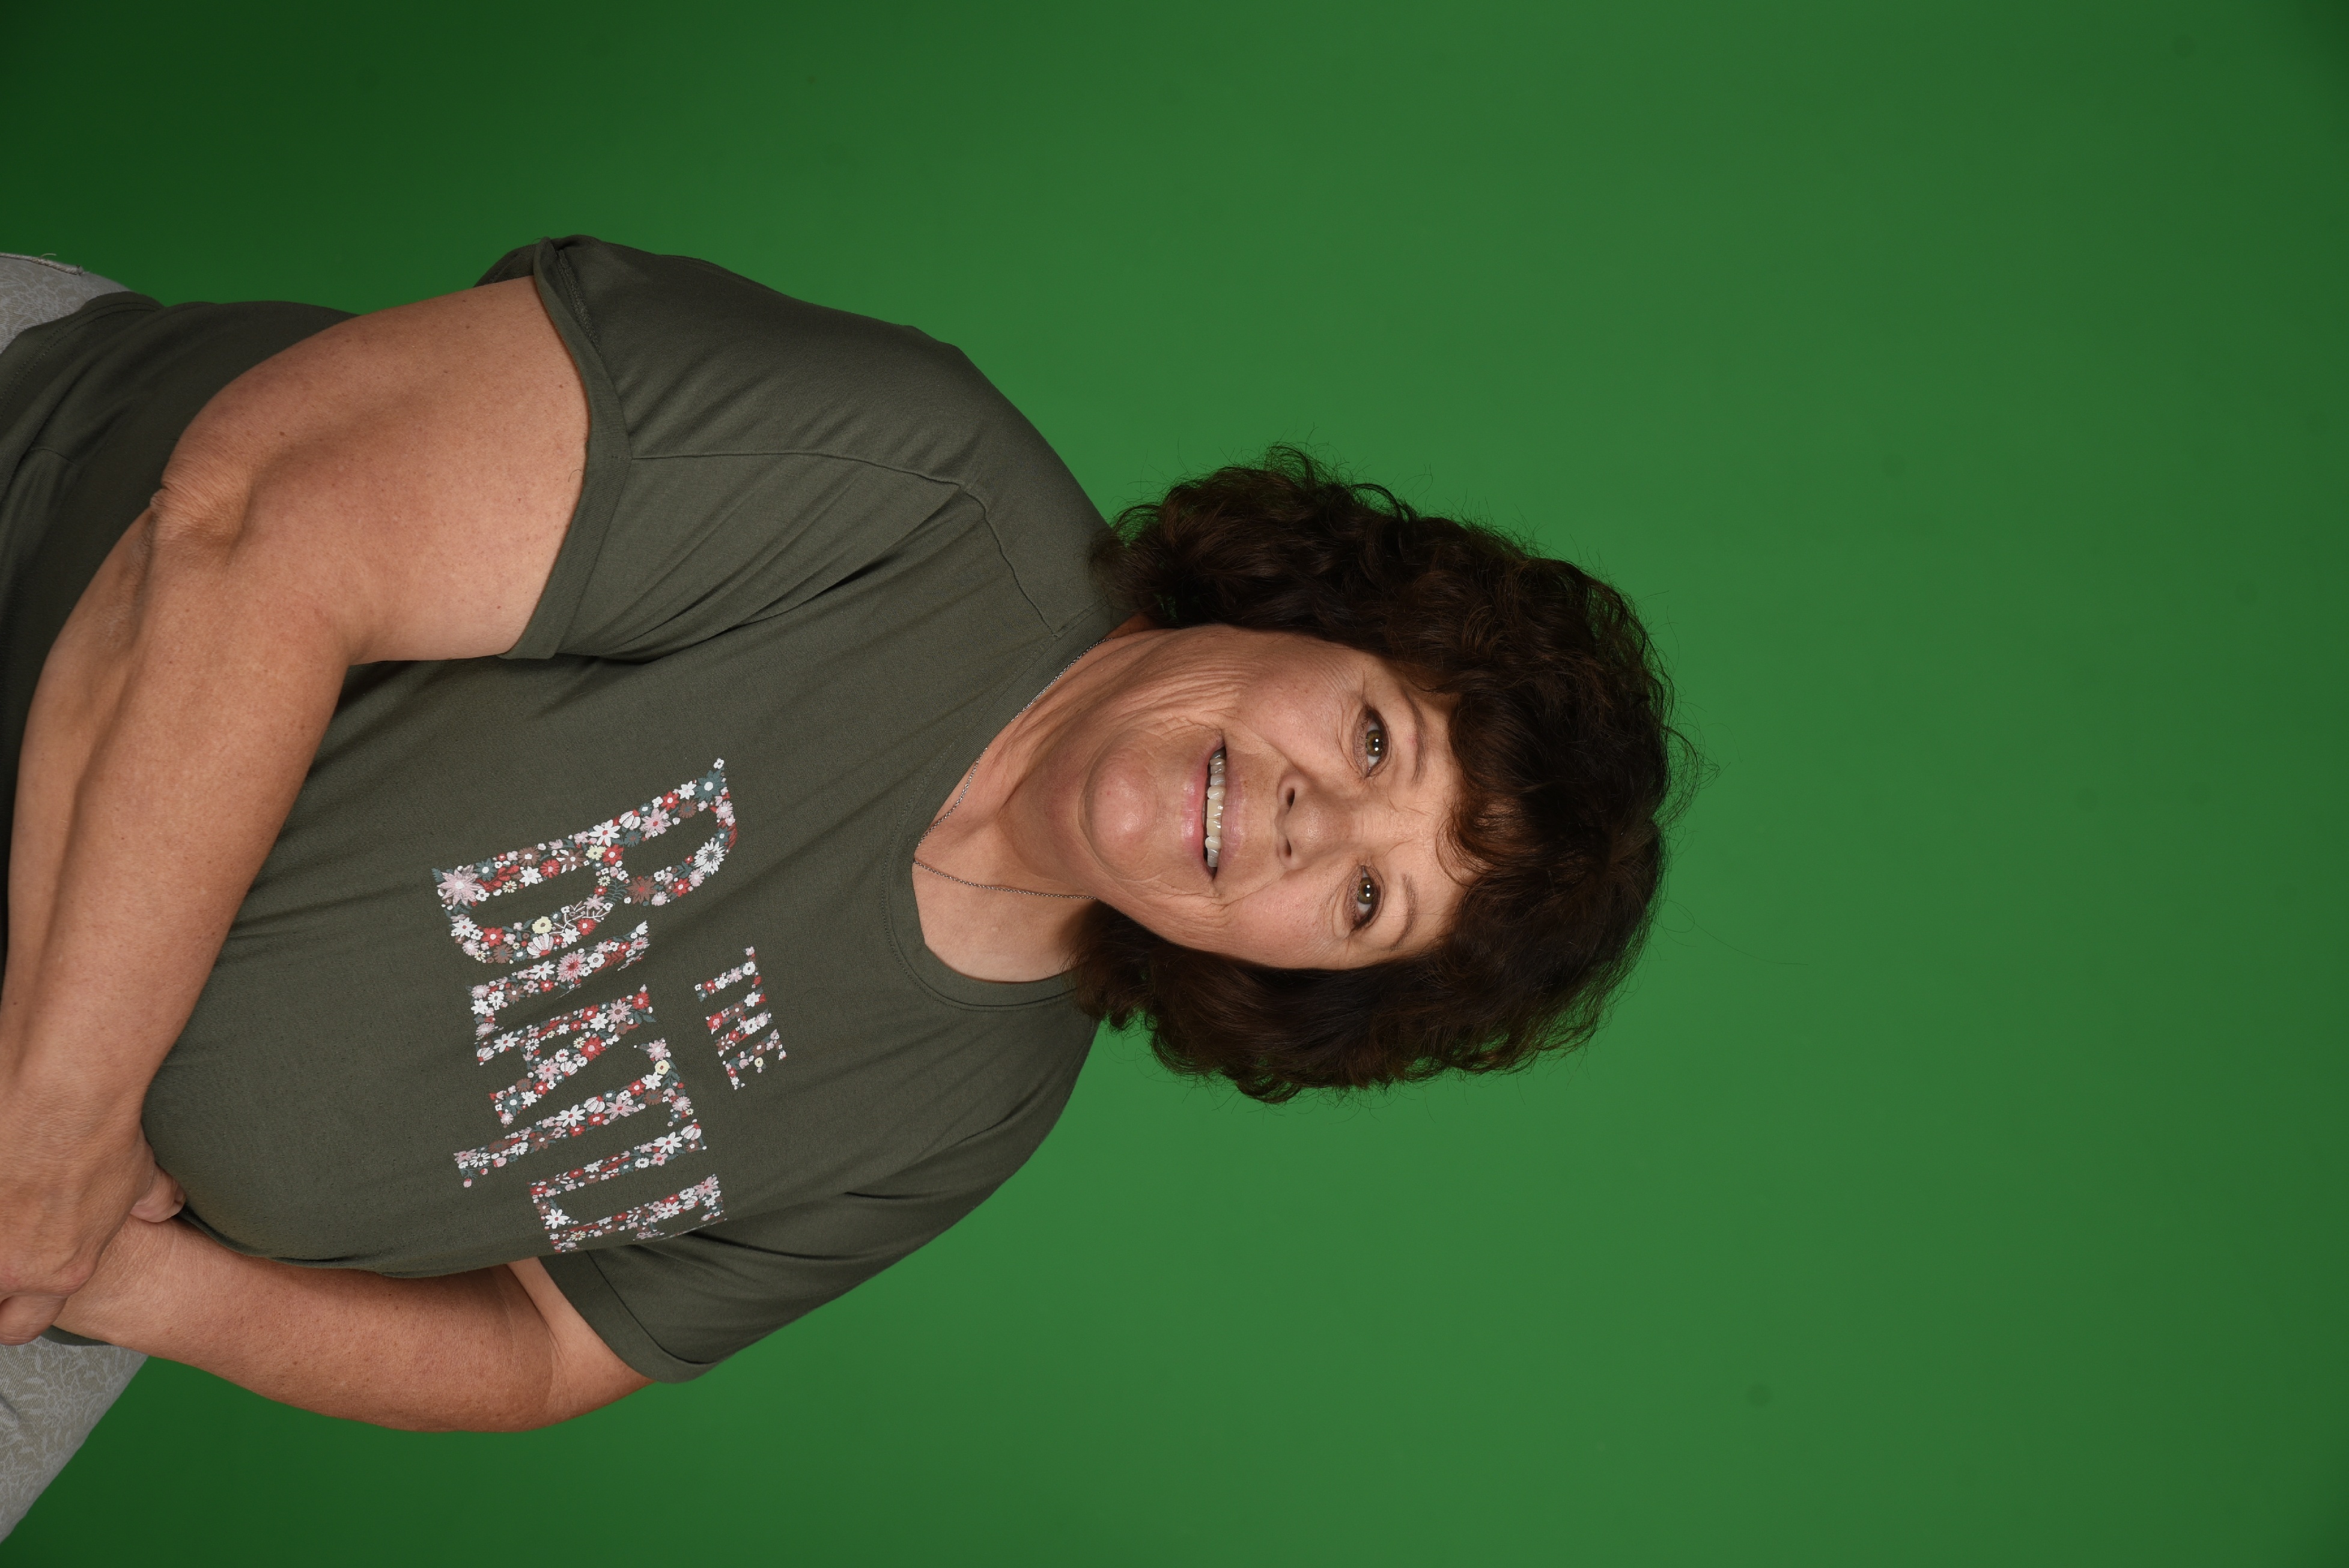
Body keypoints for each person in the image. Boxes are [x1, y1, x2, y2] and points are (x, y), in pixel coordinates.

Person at [0, 239, 1680, 1530]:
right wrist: (63, 1119)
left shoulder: (968, 1107)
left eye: (1371, 904)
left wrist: (120, 1278)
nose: (1321, 824)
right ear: (1314, 613)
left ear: (1304, 973)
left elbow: (546, 1344)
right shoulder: (916, 494)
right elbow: (253, 527)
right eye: (1379, 737)